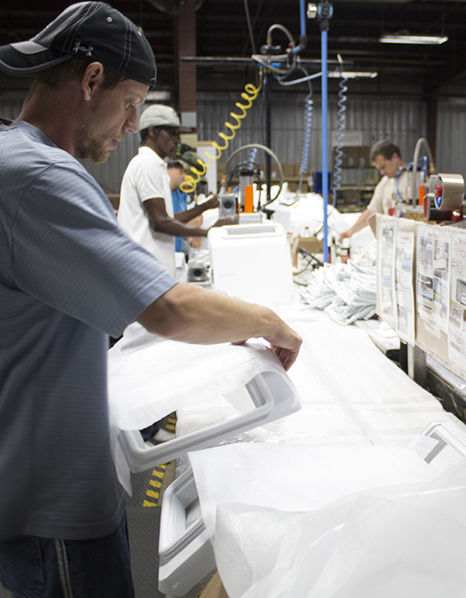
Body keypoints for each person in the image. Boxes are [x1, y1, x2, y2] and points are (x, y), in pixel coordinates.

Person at [0, 4, 301, 597]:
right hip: (51, 514)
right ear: (91, 81)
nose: (133, 124)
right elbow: (168, 308)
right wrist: (269, 321)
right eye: (132, 102)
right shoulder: (37, 176)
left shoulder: (15, 158)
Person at [117, 104, 221, 274]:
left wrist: (205, 207)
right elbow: (161, 222)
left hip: (151, 270)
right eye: (172, 134)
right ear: (152, 132)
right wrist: (207, 232)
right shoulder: (146, 164)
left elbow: (170, 218)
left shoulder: (157, 167)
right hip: (142, 270)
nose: (177, 140)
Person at [338, 139, 407, 243]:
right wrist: (351, 231)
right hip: (392, 241)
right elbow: (372, 211)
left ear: (395, 157)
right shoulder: (385, 183)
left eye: (383, 167)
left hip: (409, 241)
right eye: (379, 169)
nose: (382, 172)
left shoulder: (415, 179)